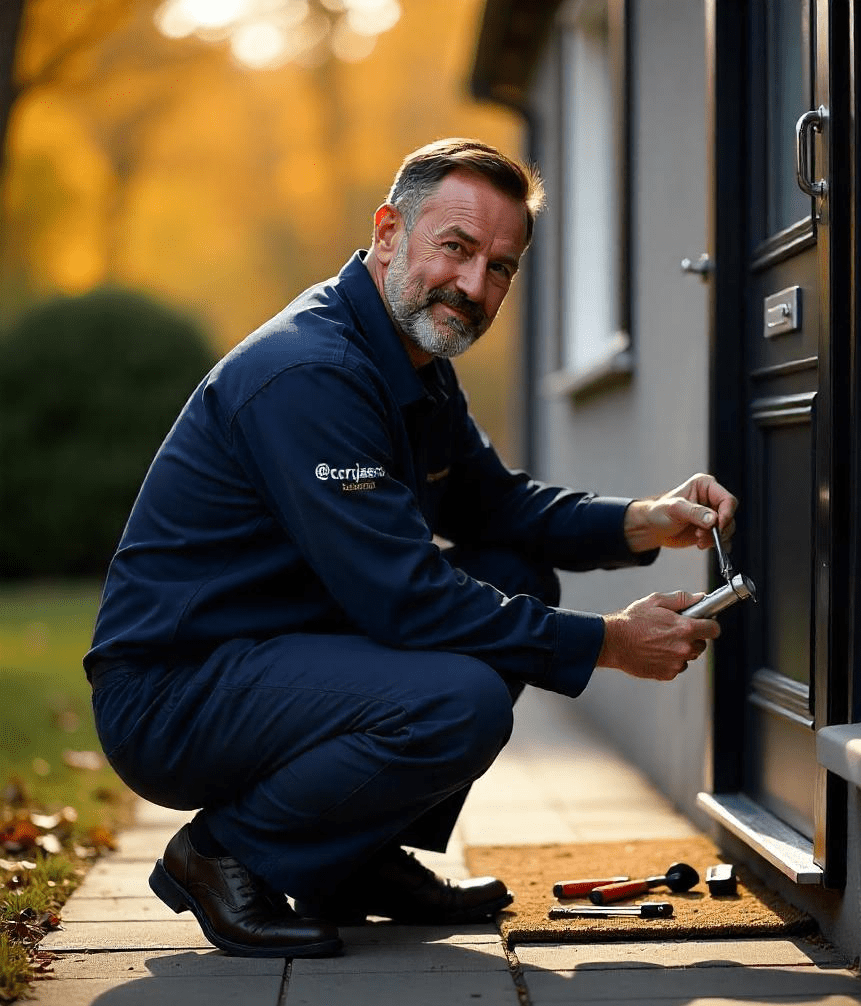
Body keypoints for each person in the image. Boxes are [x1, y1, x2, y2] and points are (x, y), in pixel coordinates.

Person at [84, 138, 738, 959]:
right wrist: (609, 644)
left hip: (274, 647)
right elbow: (406, 597)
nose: (473, 286)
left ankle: (346, 862)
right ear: (390, 232)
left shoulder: (412, 358)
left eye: (500, 267)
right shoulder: (310, 372)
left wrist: (642, 518)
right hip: (176, 690)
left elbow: (494, 506)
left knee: (513, 571)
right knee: (454, 700)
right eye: (456, 249)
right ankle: (224, 855)